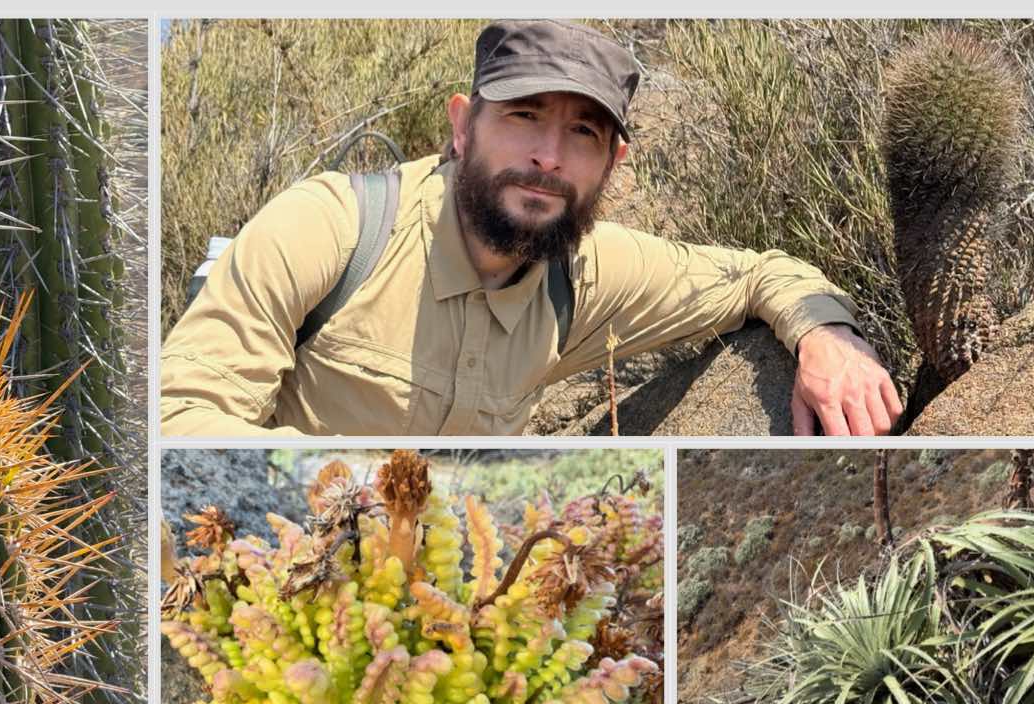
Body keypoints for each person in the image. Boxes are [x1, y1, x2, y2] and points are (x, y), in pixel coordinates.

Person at [161, 19, 902, 436]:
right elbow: (183, 417)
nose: (547, 157)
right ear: (461, 126)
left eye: (581, 133)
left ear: (610, 161)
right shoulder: (330, 227)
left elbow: (755, 273)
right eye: (522, 116)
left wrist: (825, 338)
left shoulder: (585, 273)